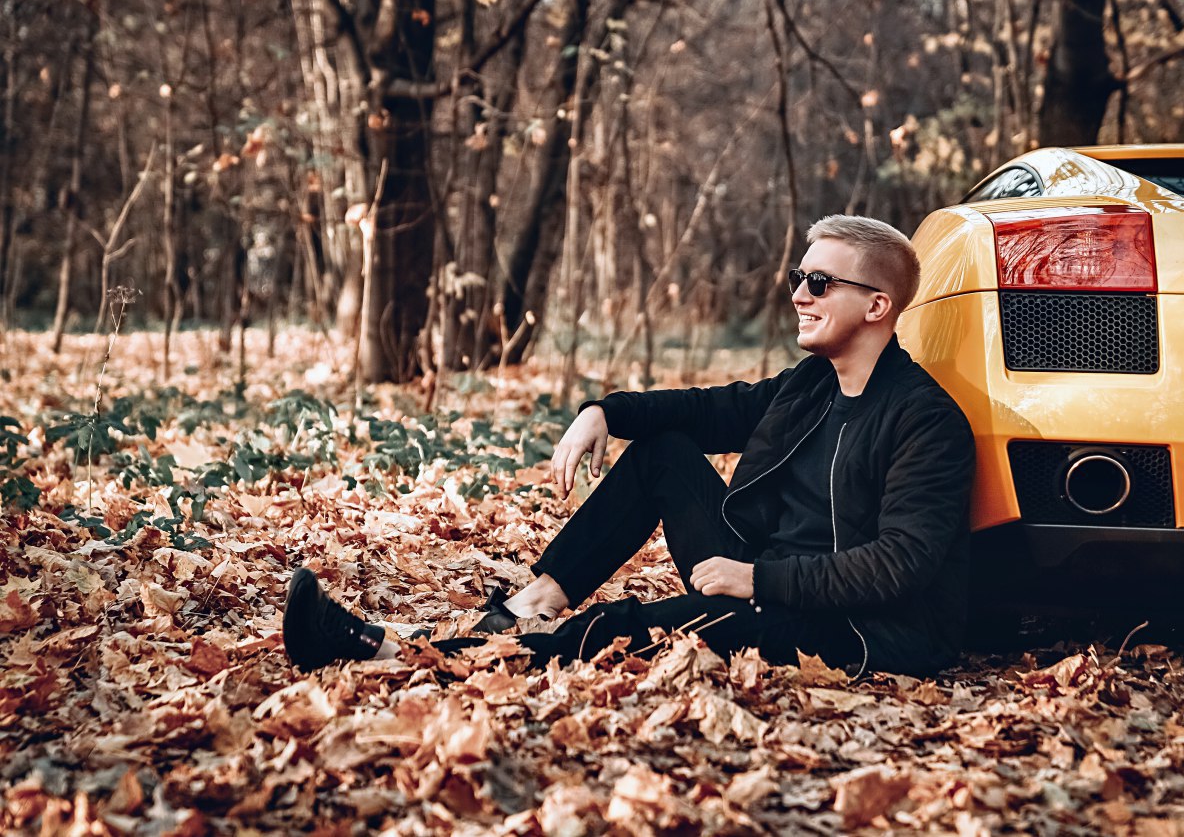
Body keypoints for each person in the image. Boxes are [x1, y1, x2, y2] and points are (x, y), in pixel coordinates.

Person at [283, 215, 976, 678]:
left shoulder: (923, 420)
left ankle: (393, 651)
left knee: (637, 627)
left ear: (877, 306)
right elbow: (708, 410)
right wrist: (605, 412)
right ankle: (531, 605)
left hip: (854, 626)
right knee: (662, 447)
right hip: (768, 577)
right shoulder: (811, 385)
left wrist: (758, 581)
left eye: (819, 283)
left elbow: (900, 564)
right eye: (798, 278)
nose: (799, 295)